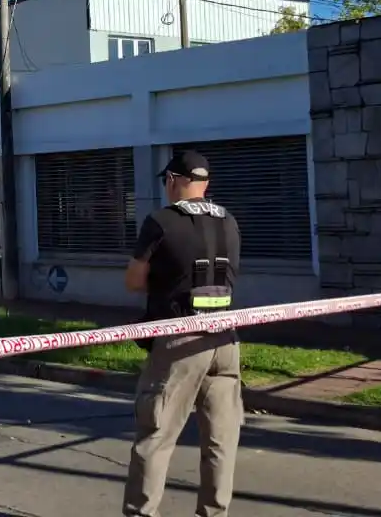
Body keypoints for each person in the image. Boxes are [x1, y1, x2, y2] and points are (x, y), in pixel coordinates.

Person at [122, 150, 242, 517]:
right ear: (206, 184)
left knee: (155, 434)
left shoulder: (160, 221)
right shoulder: (229, 220)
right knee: (221, 439)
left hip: (180, 341)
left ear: (174, 180)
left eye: (166, 181)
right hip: (226, 338)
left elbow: (133, 281)